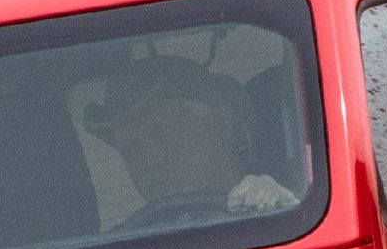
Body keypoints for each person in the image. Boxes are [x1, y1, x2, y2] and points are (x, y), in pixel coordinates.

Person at [85, 57, 299, 230]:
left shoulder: (291, 210)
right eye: (131, 147)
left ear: (220, 124)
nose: (149, 160)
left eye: (160, 134)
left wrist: (281, 214)